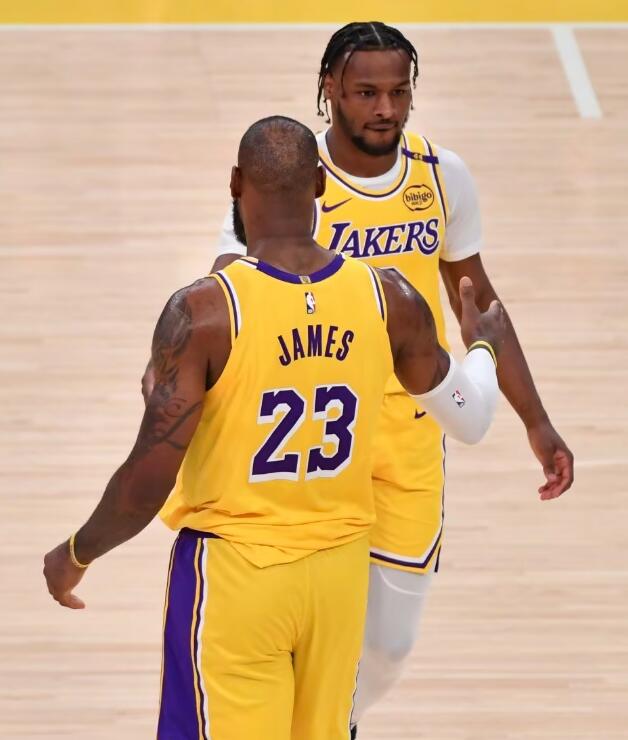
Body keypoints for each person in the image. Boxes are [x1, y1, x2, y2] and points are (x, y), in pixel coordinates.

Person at [44, 116, 505, 739]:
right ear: (319, 185)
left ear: (236, 184)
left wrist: (76, 553)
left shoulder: (205, 312)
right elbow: (471, 419)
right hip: (338, 580)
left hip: (238, 578)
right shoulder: (389, 298)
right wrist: (483, 349)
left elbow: (146, 483)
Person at [212, 23, 575, 735]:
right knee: (301, 617)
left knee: (388, 647)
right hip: (318, 425)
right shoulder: (293, 174)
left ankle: (331, 720)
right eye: (366, 92)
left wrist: (537, 421)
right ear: (329, 90)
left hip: (412, 425)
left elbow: (478, 304)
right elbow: (230, 288)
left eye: (399, 92)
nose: (385, 108)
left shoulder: (441, 177)